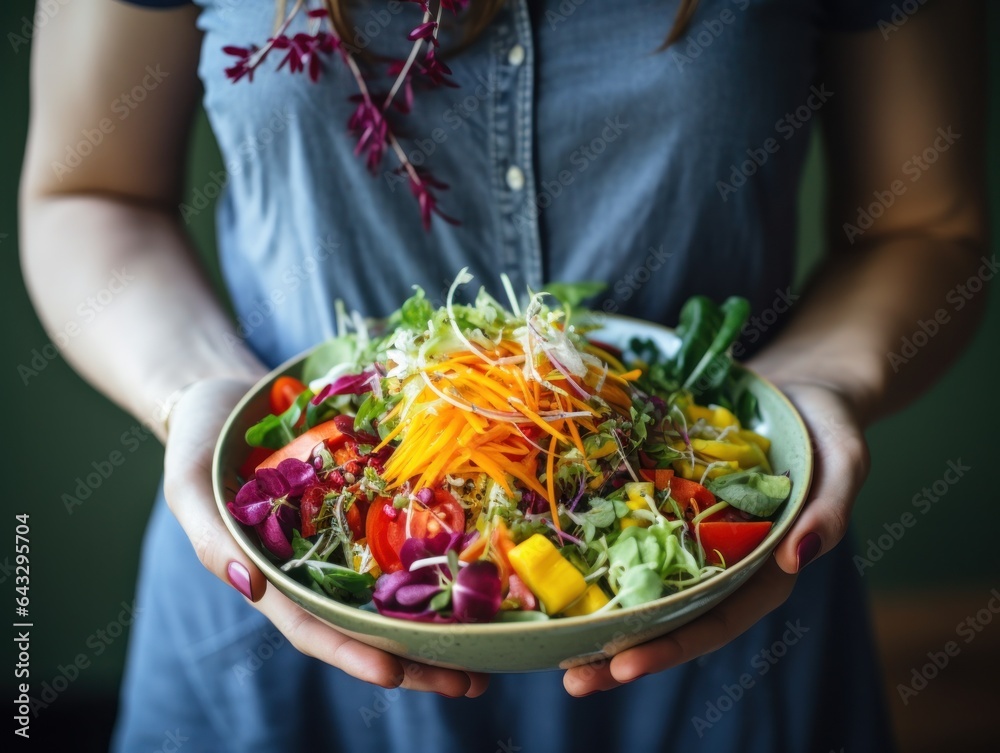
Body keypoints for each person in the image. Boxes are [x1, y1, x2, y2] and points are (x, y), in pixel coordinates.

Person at [19, 0, 987, 750]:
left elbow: (925, 224)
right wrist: (197, 391)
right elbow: (86, 190)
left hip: (720, 594)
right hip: (281, 599)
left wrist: (818, 388)